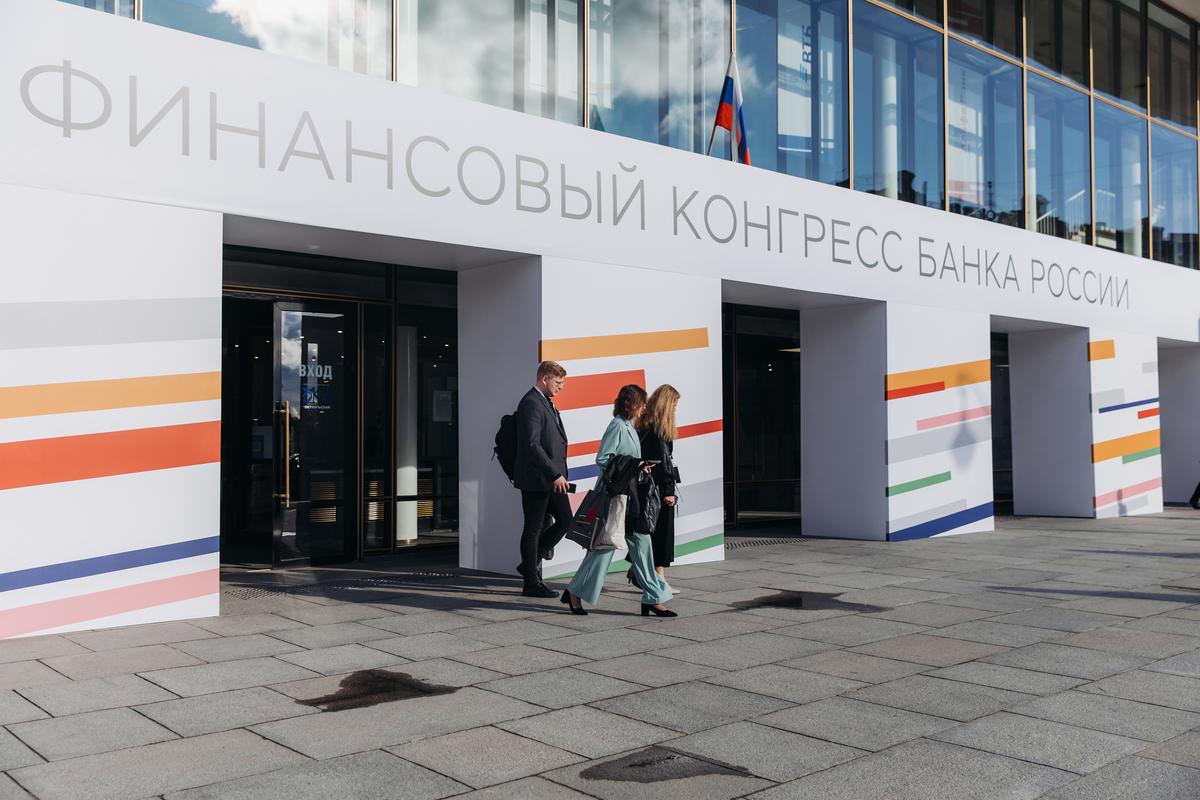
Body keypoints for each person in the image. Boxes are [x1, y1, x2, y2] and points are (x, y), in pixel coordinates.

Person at [561, 384, 676, 618]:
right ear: (631, 404)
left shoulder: (629, 426)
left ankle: (654, 597)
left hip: (631, 498)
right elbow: (603, 459)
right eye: (642, 403)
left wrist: (640, 466)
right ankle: (574, 591)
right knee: (604, 549)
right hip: (617, 499)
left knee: (643, 544)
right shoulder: (617, 426)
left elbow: (624, 460)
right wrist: (636, 464)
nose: (645, 407)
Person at [513, 361, 570, 598]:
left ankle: (529, 563)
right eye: (558, 382)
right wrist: (554, 473)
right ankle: (531, 583)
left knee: (566, 520)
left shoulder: (545, 402)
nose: (561, 387)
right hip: (537, 479)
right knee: (533, 528)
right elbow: (531, 444)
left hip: (551, 479)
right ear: (544, 379)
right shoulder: (531, 403)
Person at [636, 385, 681, 592]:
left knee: (649, 532)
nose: (675, 409)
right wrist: (669, 491)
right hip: (659, 490)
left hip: (647, 488)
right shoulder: (659, 430)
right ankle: (658, 579)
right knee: (661, 534)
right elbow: (664, 463)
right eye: (674, 405)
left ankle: (639, 572)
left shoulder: (644, 425)